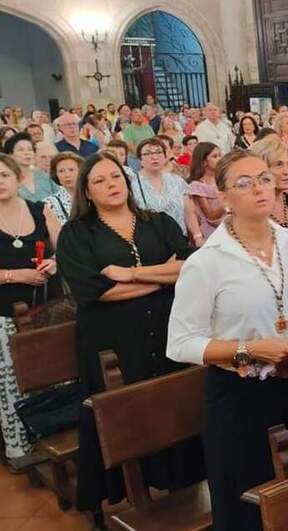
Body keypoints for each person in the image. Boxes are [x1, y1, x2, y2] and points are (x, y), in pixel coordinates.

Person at [167, 151, 288, 531]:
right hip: (241, 395)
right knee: (249, 501)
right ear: (223, 196)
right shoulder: (207, 262)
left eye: (264, 178)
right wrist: (248, 349)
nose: (259, 188)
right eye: (244, 183)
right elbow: (180, 343)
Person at [57, 152, 204, 523]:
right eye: (101, 180)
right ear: (87, 193)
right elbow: (96, 291)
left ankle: (180, 482)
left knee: (172, 402)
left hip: (167, 330)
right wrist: (160, 275)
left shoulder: (157, 221)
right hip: (112, 340)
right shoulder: (77, 233)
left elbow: (190, 267)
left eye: (117, 177)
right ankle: (127, 491)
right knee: (123, 409)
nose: (112, 185)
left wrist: (132, 274)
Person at [0, 154, 60, 461]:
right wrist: (14, 276)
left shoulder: (40, 209)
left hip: (48, 306)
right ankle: (20, 448)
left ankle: (55, 434)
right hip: (4, 313)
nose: (0, 183)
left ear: (18, 178)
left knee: (55, 369)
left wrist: (55, 262)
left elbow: (65, 248)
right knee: (13, 378)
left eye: (4, 175)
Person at [130, 137, 200, 241]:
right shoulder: (132, 183)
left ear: (165, 156)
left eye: (158, 152)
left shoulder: (177, 181)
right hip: (150, 242)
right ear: (140, 159)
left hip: (180, 239)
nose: (154, 157)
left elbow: (188, 212)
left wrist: (197, 236)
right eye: (148, 153)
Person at [187, 143, 225, 244]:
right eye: (215, 156)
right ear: (204, 162)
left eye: (220, 155)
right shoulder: (197, 185)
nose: (219, 159)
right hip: (210, 232)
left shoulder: (224, 179)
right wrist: (228, 204)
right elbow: (211, 217)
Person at [4, 133, 59, 203]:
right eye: (21, 150)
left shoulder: (46, 177)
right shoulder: (6, 181)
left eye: (30, 149)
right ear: (10, 155)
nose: (27, 153)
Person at [43, 152, 84, 224]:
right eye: (61, 171)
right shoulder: (49, 204)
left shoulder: (94, 197)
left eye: (71, 170)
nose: (67, 175)